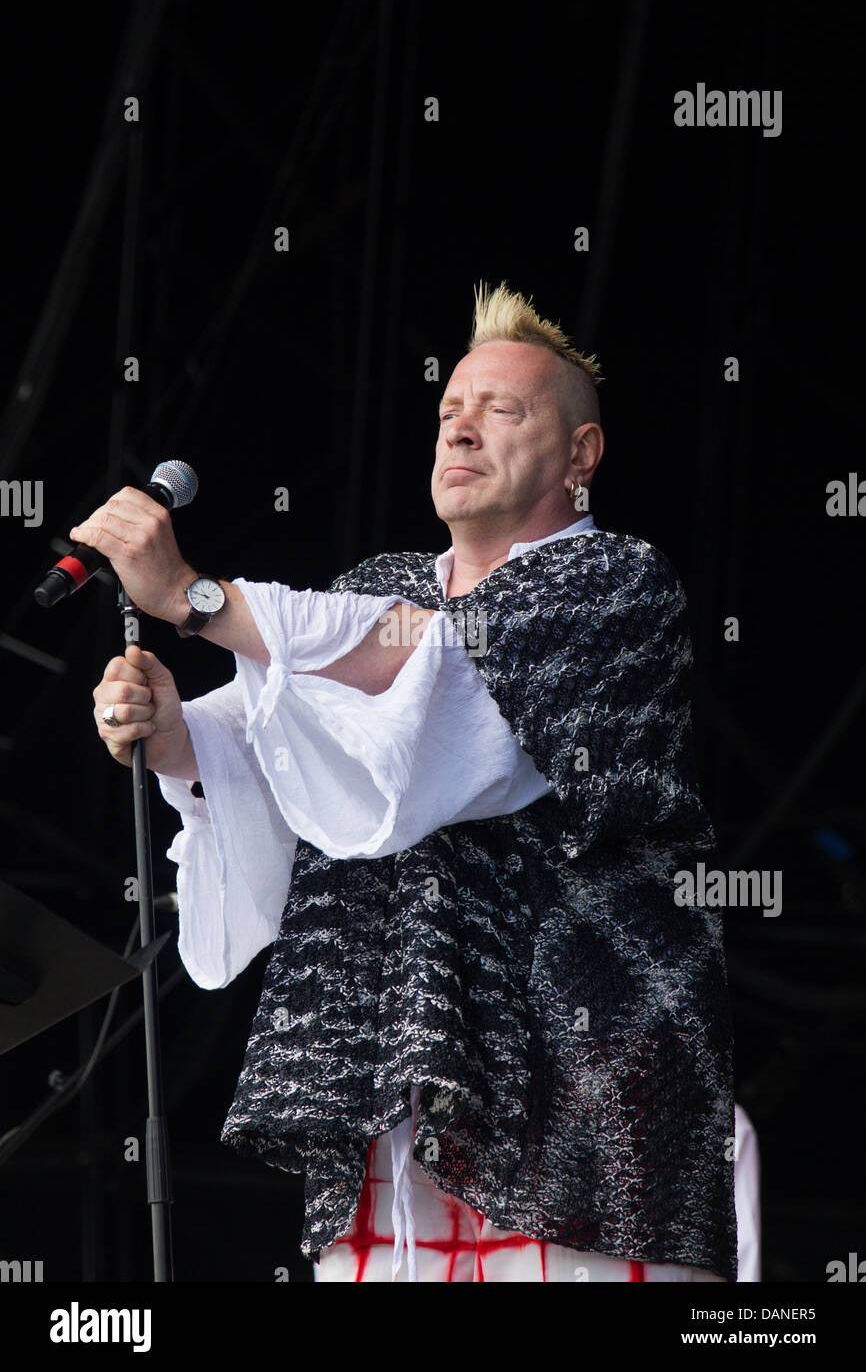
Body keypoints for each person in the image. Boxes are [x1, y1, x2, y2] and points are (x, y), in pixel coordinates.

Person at [82, 282, 744, 1282]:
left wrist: (194, 597)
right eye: (448, 411)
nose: (460, 424)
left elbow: (432, 672)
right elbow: (273, 752)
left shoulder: (611, 580)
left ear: (580, 454)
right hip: (393, 1091)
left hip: (580, 1107)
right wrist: (173, 730)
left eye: (501, 408)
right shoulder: (379, 588)